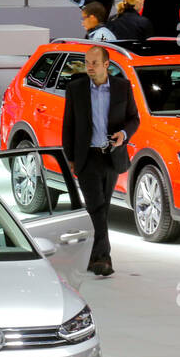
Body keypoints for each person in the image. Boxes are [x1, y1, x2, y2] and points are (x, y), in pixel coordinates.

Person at [63, 45, 139, 277]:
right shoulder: (76, 89)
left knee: (102, 207)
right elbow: (68, 125)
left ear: (106, 65)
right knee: (96, 207)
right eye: (87, 63)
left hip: (111, 156)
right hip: (87, 157)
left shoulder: (122, 88)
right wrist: (70, 158)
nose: (89, 67)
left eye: (94, 63)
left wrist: (123, 135)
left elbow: (133, 119)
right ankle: (103, 258)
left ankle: (91, 255)